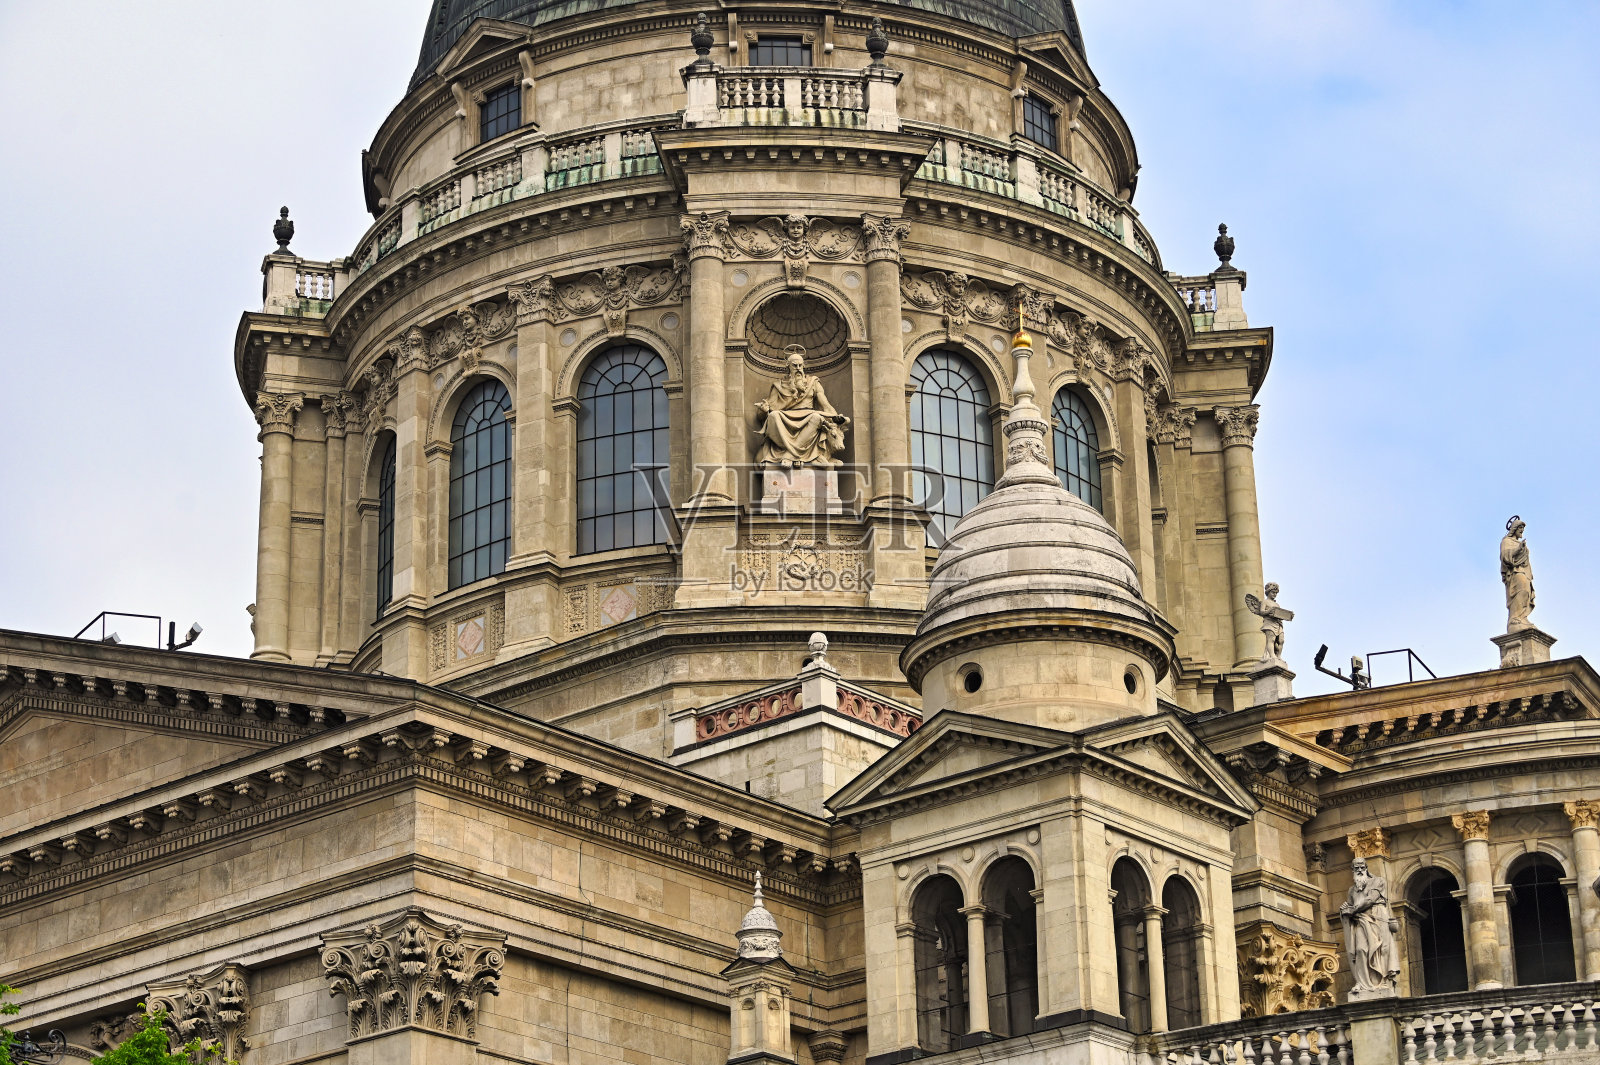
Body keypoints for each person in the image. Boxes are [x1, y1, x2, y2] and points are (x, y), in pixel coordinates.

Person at [755, 346, 848, 467]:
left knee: (816, 417)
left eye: (800, 365)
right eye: (794, 366)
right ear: (788, 367)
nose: (798, 369)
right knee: (773, 416)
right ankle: (797, 454)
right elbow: (766, 410)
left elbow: (825, 405)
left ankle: (789, 455)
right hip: (786, 417)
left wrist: (836, 418)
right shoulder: (778, 385)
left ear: (803, 366)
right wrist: (764, 411)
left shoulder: (813, 382)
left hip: (808, 417)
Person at [1340, 858, 1398, 995]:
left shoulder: (1378, 881)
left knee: (1381, 949)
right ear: (1352, 870)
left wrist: (1352, 909)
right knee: (1360, 949)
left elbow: (1371, 899)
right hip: (1361, 920)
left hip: (1378, 917)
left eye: (1361, 867)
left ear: (1366, 868)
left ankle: (1382, 981)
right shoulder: (1351, 890)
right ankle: (1362, 983)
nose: (1359, 870)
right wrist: (1344, 909)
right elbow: (1349, 906)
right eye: (1356, 868)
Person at [1501, 516, 1535, 632]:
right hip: (1515, 572)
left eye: (1523, 529)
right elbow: (1505, 556)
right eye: (1520, 528)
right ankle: (1515, 619)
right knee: (1520, 591)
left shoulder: (1517, 542)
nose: (1522, 531)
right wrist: (1519, 549)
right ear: (1514, 529)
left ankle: (1522, 617)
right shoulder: (1507, 541)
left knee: (1526, 593)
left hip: (1524, 571)